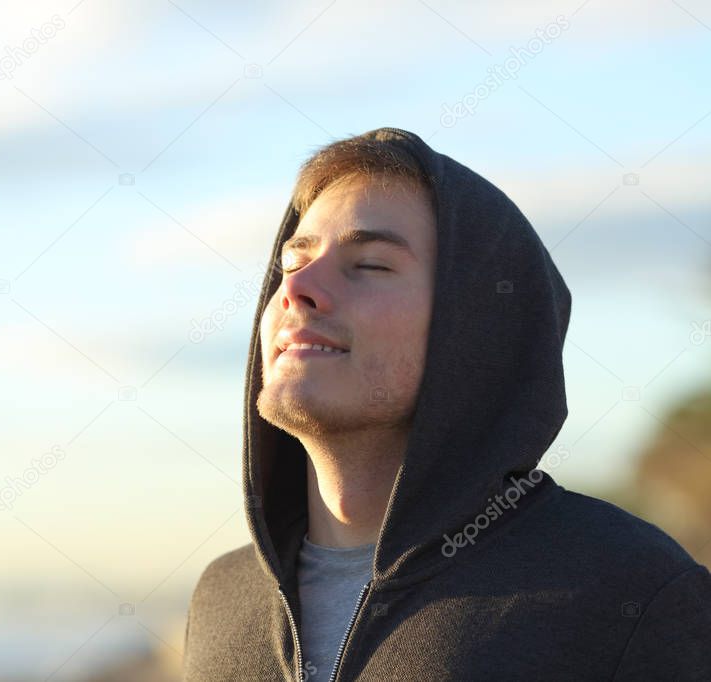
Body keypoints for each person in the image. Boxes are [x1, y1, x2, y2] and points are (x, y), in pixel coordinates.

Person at [181, 127, 711, 681]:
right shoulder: (222, 600)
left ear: (478, 328)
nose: (295, 289)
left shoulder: (627, 589)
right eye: (292, 264)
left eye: (370, 265)